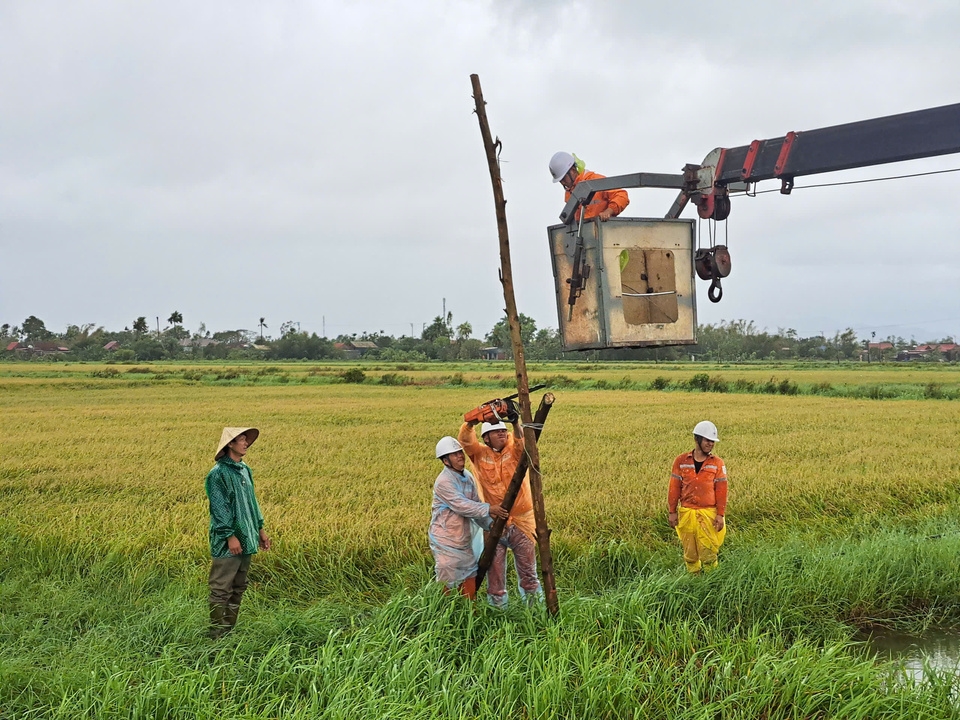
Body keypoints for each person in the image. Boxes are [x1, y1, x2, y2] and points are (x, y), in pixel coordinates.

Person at [458, 419, 541, 608]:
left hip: (522, 522)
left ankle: (535, 609)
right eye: (496, 432)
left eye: (503, 430)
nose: (502, 433)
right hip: (494, 523)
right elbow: (466, 441)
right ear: (486, 438)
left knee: (528, 572)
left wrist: (515, 423)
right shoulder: (479, 455)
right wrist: (470, 423)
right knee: (494, 575)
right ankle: (498, 610)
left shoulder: (515, 451)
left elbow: (523, 443)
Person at [205, 427, 271, 639]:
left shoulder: (244, 470)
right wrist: (229, 536)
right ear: (230, 445)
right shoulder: (217, 474)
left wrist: (260, 529)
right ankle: (217, 634)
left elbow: (252, 503)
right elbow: (219, 508)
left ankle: (229, 629)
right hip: (228, 542)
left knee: (239, 586)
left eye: (246, 440)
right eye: (241, 440)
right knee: (221, 588)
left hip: (248, 537)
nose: (245, 443)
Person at [429, 436, 509, 599]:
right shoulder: (444, 482)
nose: (460, 456)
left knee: (468, 576)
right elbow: (462, 505)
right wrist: (489, 508)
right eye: (454, 454)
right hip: (446, 540)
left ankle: (469, 613)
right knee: (448, 578)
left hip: (463, 539)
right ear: (445, 461)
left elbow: (475, 506)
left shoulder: (467, 477)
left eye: (460, 452)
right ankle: (447, 614)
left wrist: (490, 524)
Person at [667, 420, 727, 573]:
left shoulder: (717, 464)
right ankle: (694, 581)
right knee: (690, 554)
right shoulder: (681, 461)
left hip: (708, 515)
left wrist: (720, 515)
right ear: (697, 439)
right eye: (707, 440)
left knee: (709, 553)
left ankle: (712, 583)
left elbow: (721, 491)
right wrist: (672, 511)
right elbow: (674, 487)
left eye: (712, 441)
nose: (710, 444)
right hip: (687, 514)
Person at [549, 151, 629, 222]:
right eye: (560, 181)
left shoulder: (595, 181)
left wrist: (608, 211)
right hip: (586, 236)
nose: (563, 183)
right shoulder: (570, 193)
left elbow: (622, 195)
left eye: (563, 178)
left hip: (604, 233)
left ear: (573, 171)